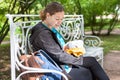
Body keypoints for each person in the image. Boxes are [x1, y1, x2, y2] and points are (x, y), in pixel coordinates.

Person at [30, 2, 109, 80]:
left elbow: (55, 50)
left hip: (59, 63)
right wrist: (79, 60)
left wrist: (69, 46)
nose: (60, 22)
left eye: (61, 19)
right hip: (56, 69)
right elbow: (58, 55)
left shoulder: (48, 27)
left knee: (90, 64)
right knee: (90, 65)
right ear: (48, 15)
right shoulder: (42, 33)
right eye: (57, 19)